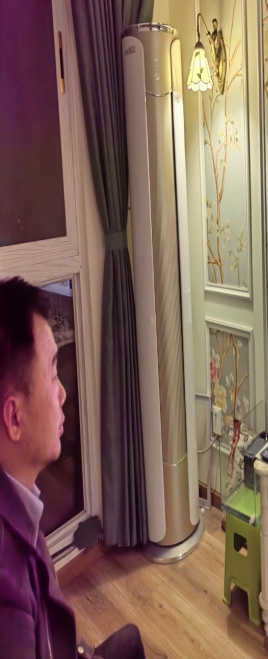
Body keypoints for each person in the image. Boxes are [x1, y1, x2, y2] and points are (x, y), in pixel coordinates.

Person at [0, 276, 145, 658]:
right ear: (13, 418)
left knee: (130, 639)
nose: (63, 392)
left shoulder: (21, 501)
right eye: (51, 373)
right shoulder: (7, 601)